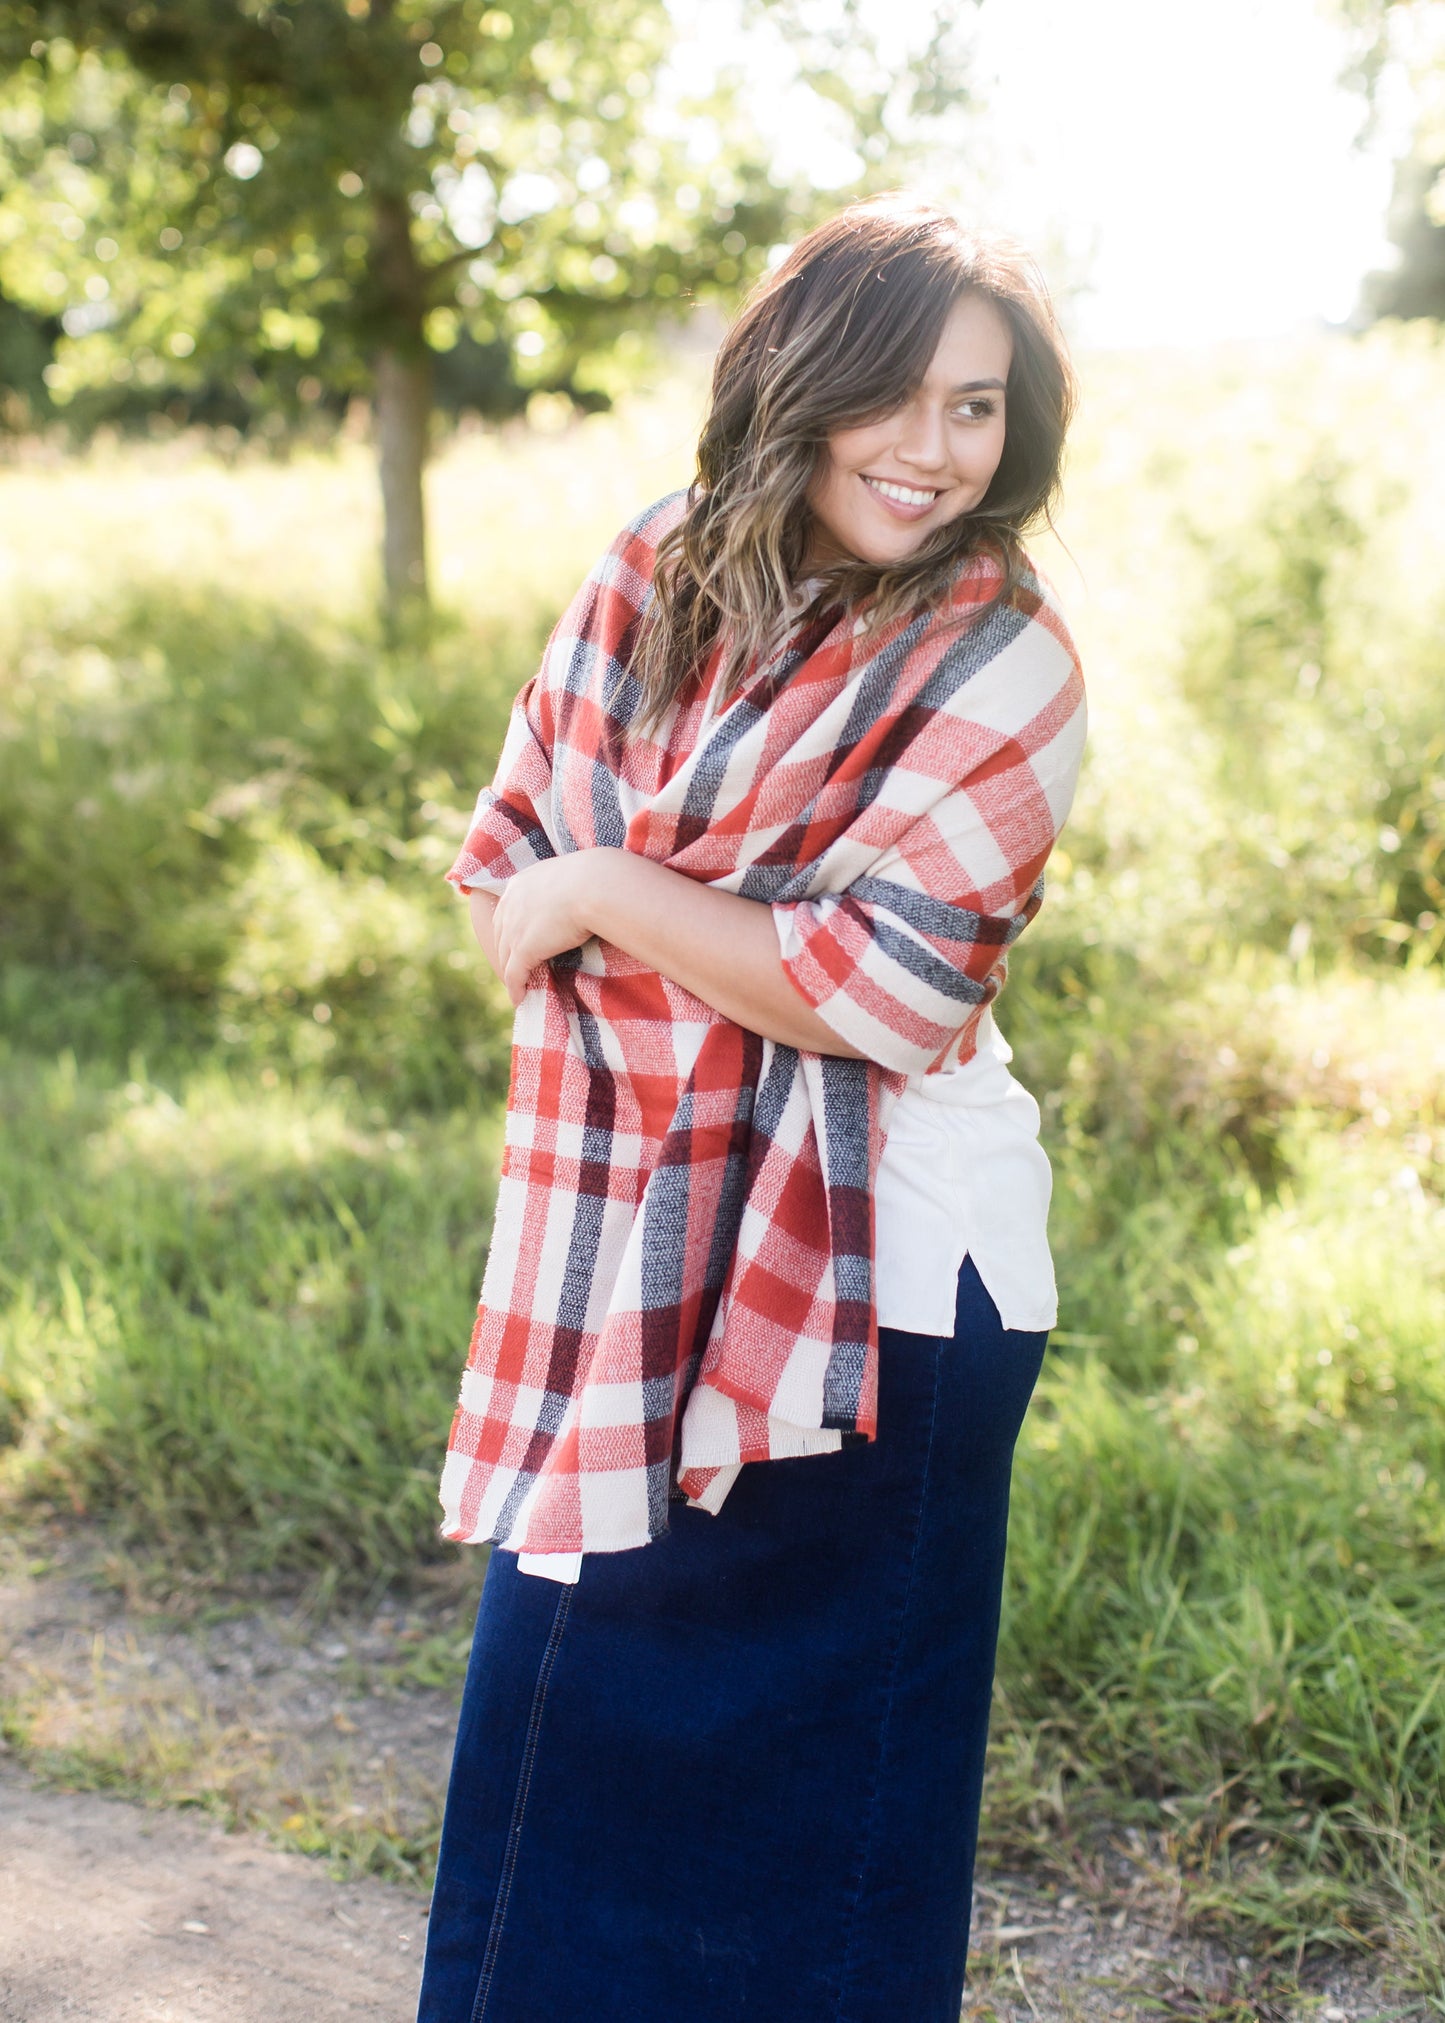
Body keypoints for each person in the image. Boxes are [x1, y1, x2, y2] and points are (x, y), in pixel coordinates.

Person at [416, 193, 1087, 2023]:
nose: (937, 452)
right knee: (559, 1776)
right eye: (902, 397)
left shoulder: (996, 663)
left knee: (816, 1841)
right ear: (803, 377)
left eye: (978, 409)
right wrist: (639, 913)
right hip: (617, 1259)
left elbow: (885, 990)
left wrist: (619, 896)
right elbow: (499, 886)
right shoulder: (651, 574)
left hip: (879, 1286)